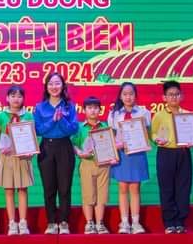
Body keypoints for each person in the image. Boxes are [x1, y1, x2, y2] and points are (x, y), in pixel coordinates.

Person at [33, 72, 79, 234]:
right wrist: (53, 120)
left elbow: (74, 129)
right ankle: (51, 222)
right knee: (49, 187)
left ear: (63, 86)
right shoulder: (40, 107)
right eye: (51, 84)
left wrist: (62, 120)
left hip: (65, 147)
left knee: (65, 187)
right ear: (46, 87)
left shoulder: (69, 106)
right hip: (46, 147)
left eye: (57, 83)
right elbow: (38, 130)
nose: (54, 87)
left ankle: (64, 222)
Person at [151, 80, 193, 234]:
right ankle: (169, 223)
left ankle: (181, 222)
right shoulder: (158, 116)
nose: (174, 97)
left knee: (183, 188)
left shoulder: (187, 115)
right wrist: (156, 139)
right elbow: (153, 133)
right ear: (164, 97)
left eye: (176, 94)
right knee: (167, 188)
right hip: (165, 153)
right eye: (170, 95)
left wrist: (192, 141)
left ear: (181, 96)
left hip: (183, 153)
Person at [109, 82, 151, 234]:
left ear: (135, 95)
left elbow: (147, 134)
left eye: (131, 94)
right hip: (121, 155)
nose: (128, 97)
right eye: (125, 94)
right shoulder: (114, 114)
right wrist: (116, 147)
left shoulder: (144, 113)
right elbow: (111, 136)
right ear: (120, 96)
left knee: (135, 188)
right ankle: (124, 222)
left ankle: (136, 222)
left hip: (137, 154)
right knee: (122, 188)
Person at [0, 85, 35, 235]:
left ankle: (23, 222)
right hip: (7, 156)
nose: (16, 99)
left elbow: (31, 138)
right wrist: (1, 147)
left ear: (23, 99)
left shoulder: (28, 116)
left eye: (19, 96)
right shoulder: (0, 116)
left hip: (22, 157)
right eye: (13, 96)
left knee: (23, 189)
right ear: (7, 98)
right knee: (9, 190)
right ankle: (12, 223)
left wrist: (31, 151)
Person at [72, 96, 112, 234]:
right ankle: (89, 223)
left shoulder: (105, 127)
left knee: (102, 195)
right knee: (88, 195)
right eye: (89, 108)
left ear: (100, 110)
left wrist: (113, 157)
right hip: (87, 164)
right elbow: (74, 144)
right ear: (84, 110)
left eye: (95, 108)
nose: (93, 110)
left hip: (103, 165)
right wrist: (79, 153)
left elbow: (111, 146)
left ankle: (100, 223)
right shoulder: (79, 128)